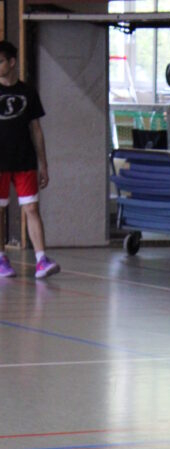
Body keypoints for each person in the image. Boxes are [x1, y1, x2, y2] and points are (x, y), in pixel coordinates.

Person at [0, 40, 60, 280]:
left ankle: (41, 260)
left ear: (12, 62)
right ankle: (1, 259)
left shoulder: (28, 92)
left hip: (24, 160)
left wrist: (43, 163)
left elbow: (36, 129)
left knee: (32, 208)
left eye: (0, 61)